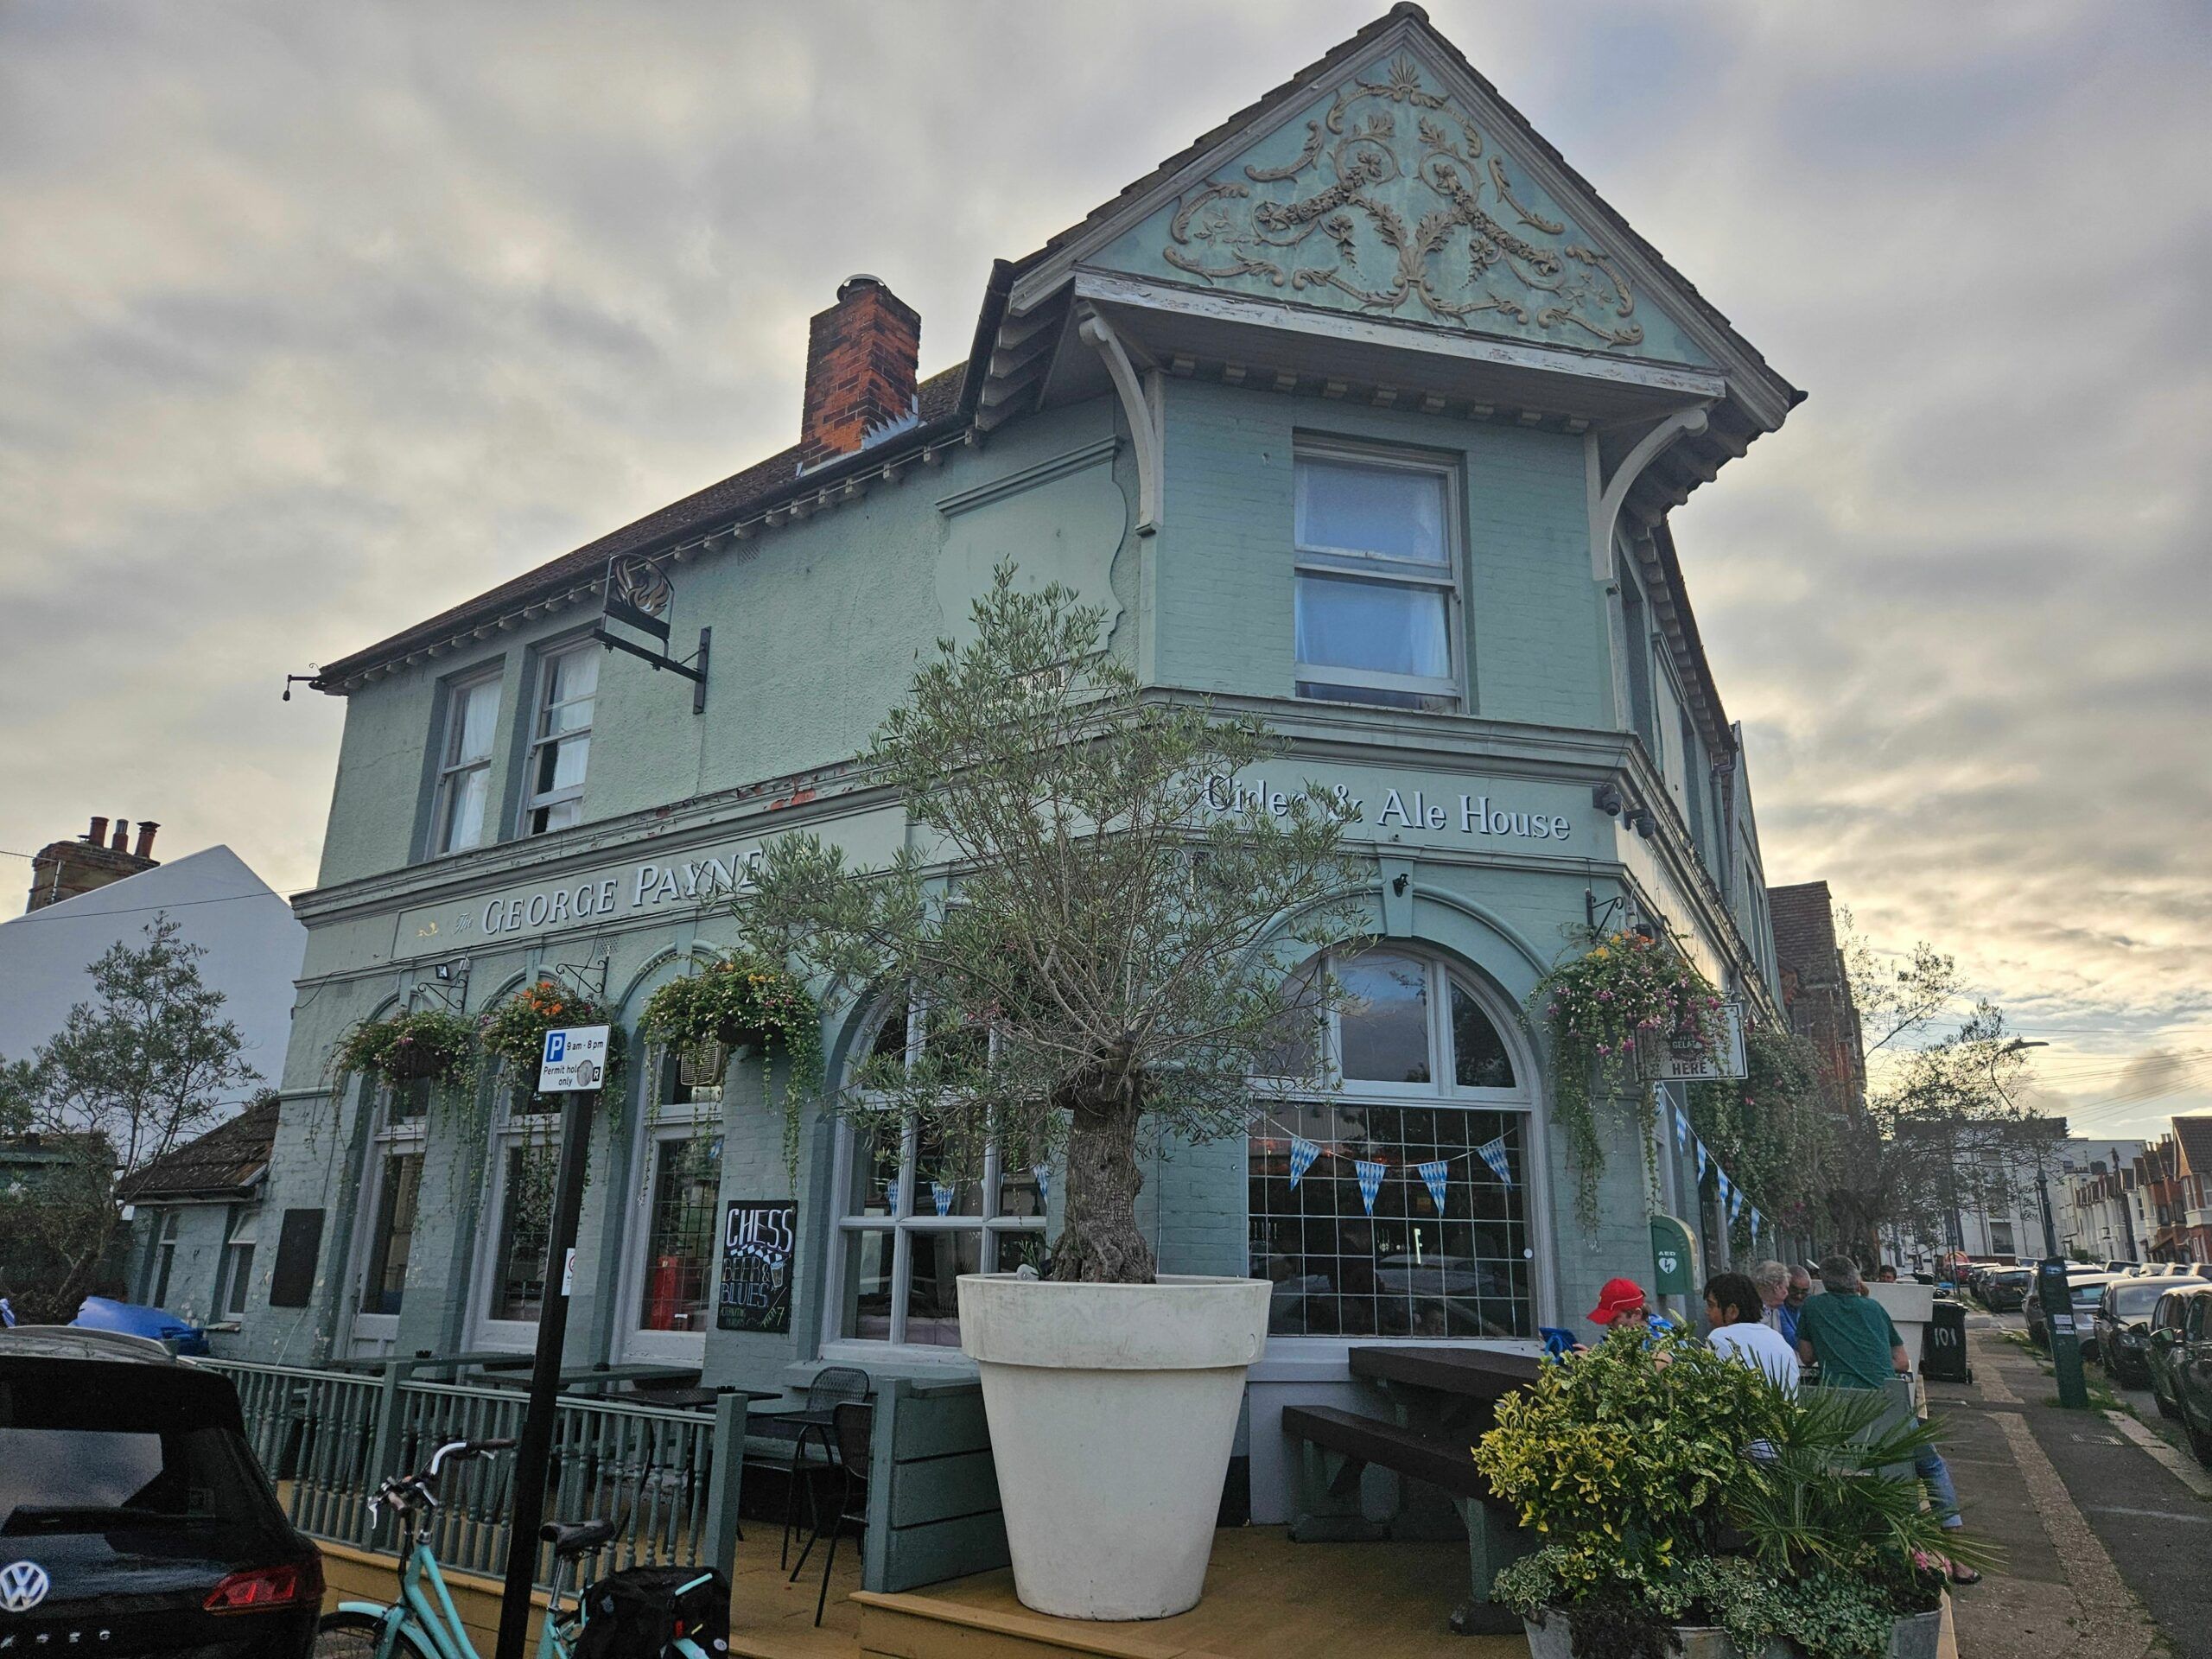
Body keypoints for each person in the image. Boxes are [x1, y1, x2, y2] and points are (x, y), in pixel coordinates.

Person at [1796, 1255, 1979, 1583]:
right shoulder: (1875, 1310)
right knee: (1933, 1467)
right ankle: (1957, 1558)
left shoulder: (1812, 1308)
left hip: (1839, 1419)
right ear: (1857, 1281)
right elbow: (1902, 1362)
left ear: (1822, 1280)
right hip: (1888, 1414)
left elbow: (1807, 1357)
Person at [1704, 1271, 1800, 1389]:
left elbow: (1712, 1389)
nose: (1707, 1311)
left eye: (1711, 1305)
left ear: (1733, 1311)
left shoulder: (1719, 1337)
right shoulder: (1775, 1337)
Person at [1777, 1265, 1813, 1348]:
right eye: (1794, 1290)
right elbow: (1794, 1342)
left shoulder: (1810, 1305)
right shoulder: (1778, 1308)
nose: (1799, 1296)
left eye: (1804, 1292)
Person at [1751, 1259, 1790, 1330]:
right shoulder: (1750, 1312)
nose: (1787, 1293)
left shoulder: (1774, 1311)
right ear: (1777, 1287)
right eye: (1786, 1287)